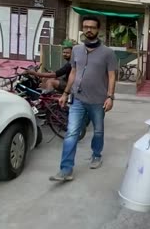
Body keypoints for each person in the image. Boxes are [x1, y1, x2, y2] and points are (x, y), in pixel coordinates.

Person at [49, 15, 117, 182]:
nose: (88, 30)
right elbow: (73, 72)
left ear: (98, 30)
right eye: (85, 26)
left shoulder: (108, 53)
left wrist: (110, 97)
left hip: (98, 100)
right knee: (71, 132)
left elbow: (111, 76)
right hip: (78, 99)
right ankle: (66, 169)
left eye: (92, 27)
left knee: (98, 130)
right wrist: (65, 93)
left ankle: (96, 154)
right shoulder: (77, 50)